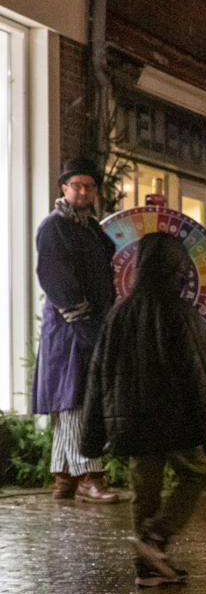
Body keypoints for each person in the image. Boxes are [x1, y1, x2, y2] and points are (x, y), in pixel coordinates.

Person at [80, 232, 206, 587]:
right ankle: (155, 537)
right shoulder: (181, 313)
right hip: (175, 418)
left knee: (144, 488)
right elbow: (200, 376)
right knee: (195, 475)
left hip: (131, 422)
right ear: (177, 269)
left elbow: (97, 375)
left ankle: (147, 568)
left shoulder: (118, 314)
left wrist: (91, 437)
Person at [32, 157, 122, 503]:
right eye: (76, 185)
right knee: (76, 399)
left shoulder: (91, 229)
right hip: (70, 328)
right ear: (64, 188)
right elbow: (54, 276)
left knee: (76, 396)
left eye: (89, 186)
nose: (83, 192)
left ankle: (65, 478)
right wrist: (80, 317)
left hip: (87, 325)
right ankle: (89, 476)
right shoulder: (54, 227)